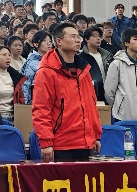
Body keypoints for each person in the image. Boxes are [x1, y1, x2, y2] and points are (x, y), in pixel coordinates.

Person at [31, 23, 102, 163]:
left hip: (86, 142)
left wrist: (96, 135)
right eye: (73, 37)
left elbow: (91, 105)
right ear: (59, 41)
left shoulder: (84, 70)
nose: (78, 40)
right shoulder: (47, 72)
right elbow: (41, 109)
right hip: (61, 144)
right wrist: (46, 143)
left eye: (78, 37)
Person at [104, 29, 137, 124]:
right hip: (123, 116)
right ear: (127, 43)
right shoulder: (117, 64)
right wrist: (119, 105)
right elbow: (109, 91)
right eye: (135, 39)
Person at [0, 45, 24, 124]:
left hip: (15, 117)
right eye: (4, 55)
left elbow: (20, 98)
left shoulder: (15, 76)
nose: (8, 57)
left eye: (9, 55)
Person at [20, 29, 51, 103]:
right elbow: (25, 85)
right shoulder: (31, 63)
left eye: (50, 41)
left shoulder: (51, 60)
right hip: (36, 102)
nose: (48, 44)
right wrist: (27, 104)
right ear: (36, 44)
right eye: (44, 41)